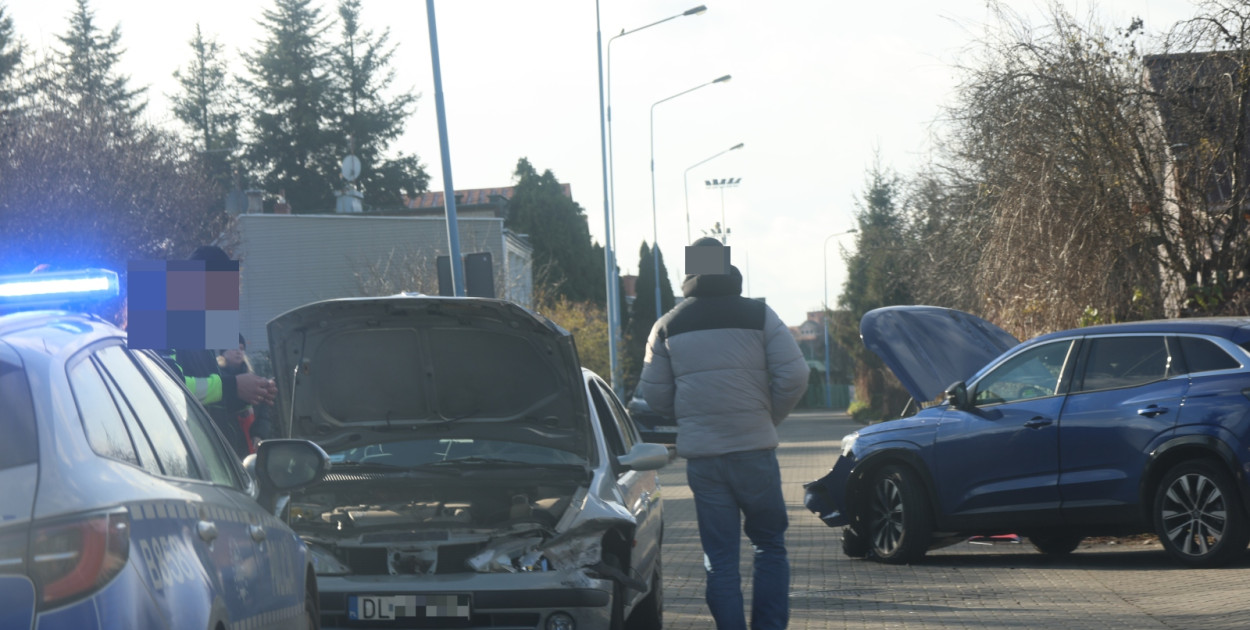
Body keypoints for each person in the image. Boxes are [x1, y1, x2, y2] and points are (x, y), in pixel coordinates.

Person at [638, 237, 810, 630]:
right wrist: (768, 416)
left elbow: (655, 393)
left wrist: (691, 417)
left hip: (704, 458)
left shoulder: (667, 325)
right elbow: (796, 375)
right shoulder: (760, 315)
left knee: (720, 559)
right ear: (728, 268)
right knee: (769, 545)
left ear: (690, 273)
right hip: (754, 451)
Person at [161, 246, 276, 458]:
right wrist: (232, 387)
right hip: (180, 459)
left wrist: (249, 392)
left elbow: (208, 398)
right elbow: (167, 387)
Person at [218, 334, 274, 454]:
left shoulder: (254, 380)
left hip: (250, 447)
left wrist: (259, 434)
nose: (238, 351)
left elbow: (264, 414)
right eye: (234, 348)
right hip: (225, 447)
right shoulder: (217, 381)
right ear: (223, 353)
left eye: (241, 348)